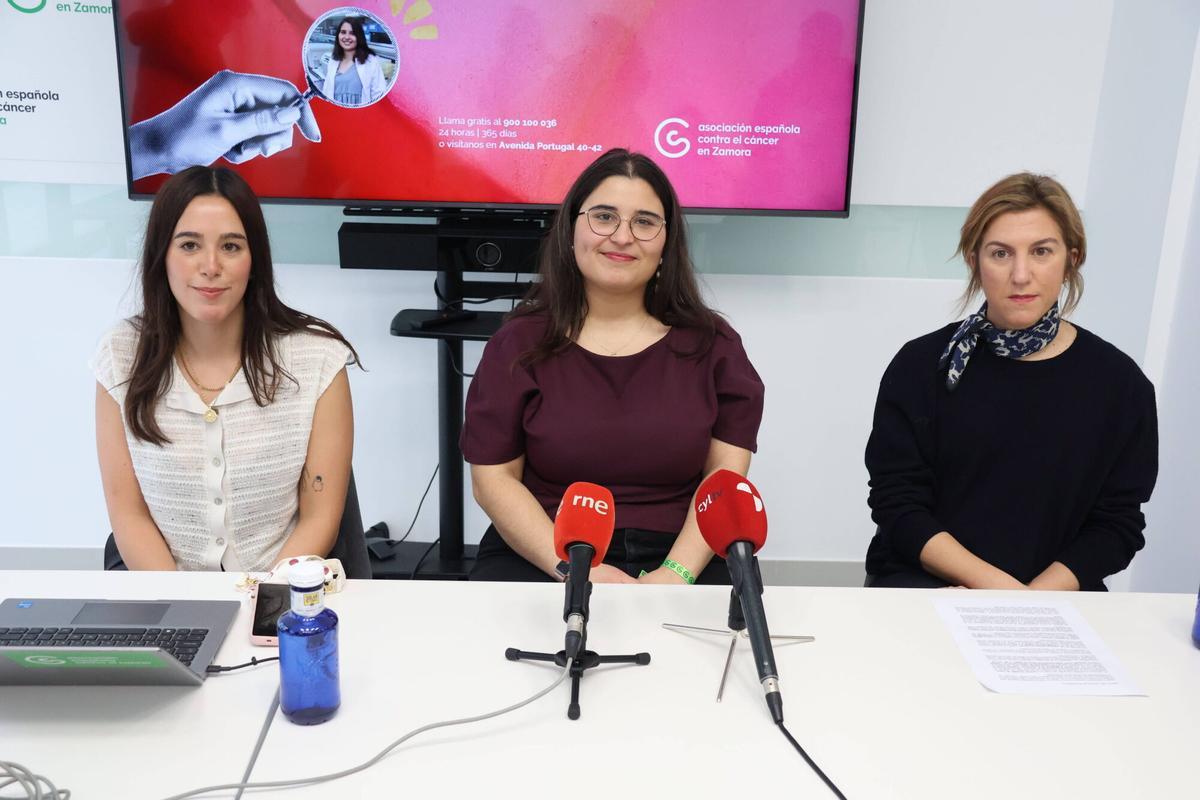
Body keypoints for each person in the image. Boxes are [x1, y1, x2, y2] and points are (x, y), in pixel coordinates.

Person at [462, 148, 764, 584]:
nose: (623, 237)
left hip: (685, 549)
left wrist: (674, 575)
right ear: (571, 230)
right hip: (546, 548)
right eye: (604, 217)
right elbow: (493, 481)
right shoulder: (518, 344)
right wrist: (571, 568)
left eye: (644, 222)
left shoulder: (713, 345)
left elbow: (723, 481)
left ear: (666, 242)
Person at [864, 173, 1158, 591]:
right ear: (974, 260)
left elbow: (1117, 523)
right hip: (925, 588)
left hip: (1056, 599)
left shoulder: (1121, 384)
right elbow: (898, 504)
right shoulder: (922, 365)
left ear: (1072, 259)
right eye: (1000, 254)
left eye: (1041, 252)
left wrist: (1032, 603)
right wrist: (998, 594)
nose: (1021, 275)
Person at [92, 166, 359, 571]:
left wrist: (262, 604)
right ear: (161, 254)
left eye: (231, 246)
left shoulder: (318, 358)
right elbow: (128, 515)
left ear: (255, 259)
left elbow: (320, 519)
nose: (211, 265)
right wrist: (186, 613)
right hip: (169, 597)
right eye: (189, 245)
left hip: (281, 594)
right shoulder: (120, 356)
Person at [321, 17, 388, 106]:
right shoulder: (333, 60)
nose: (347, 37)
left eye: (352, 33)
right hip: (335, 113)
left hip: (361, 115)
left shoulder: (370, 61)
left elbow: (379, 94)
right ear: (338, 35)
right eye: (343, 32)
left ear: (359, 36)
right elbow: (326, 90)